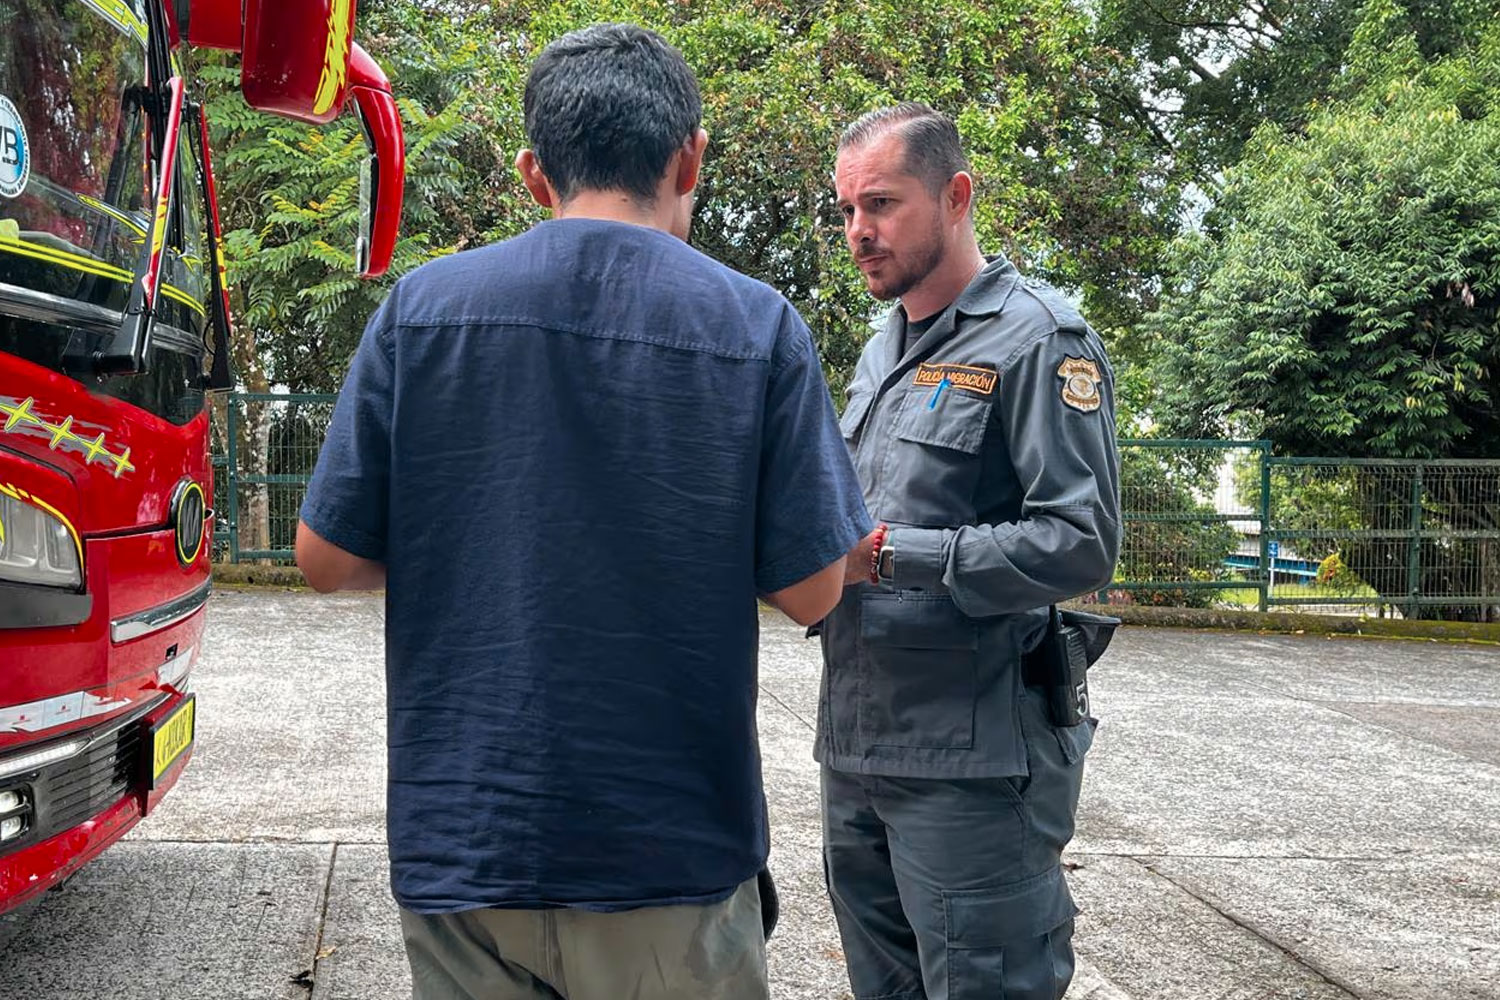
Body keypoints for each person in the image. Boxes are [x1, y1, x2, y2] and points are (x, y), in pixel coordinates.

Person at [294, 24, 871, 1000]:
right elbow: (814, 590)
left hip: (464, 845)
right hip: (669, 853)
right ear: (689, 156)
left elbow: (324, 556)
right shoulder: (755, 324)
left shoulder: (424, 310)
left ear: (532, 173)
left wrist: (464, 539)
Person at [816, 102, 1122, 1000]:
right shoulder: (883, 347)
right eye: (845, 211)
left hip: (973, 770)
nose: (859, 232)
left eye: (881, 204)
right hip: (859, 747)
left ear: (955, 196)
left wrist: (887, 557)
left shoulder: (1040, 339)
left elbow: (1081, 539)